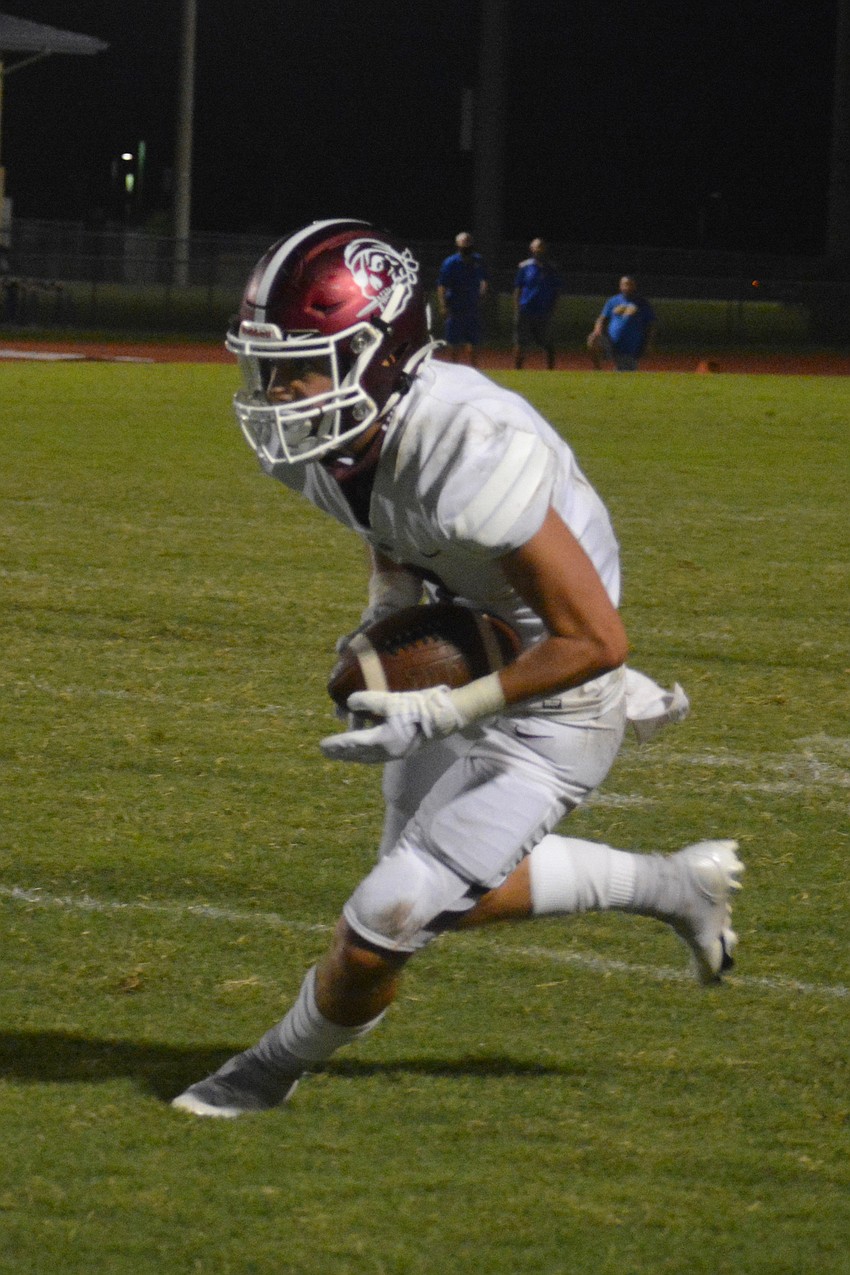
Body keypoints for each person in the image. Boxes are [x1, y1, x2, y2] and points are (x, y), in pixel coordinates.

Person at [172, 219, 743, 1119]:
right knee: (434, 897)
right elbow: (391, 529)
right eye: (267, 365)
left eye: (303, 363)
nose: (277, 390)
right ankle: (673, 885)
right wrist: (389, 615)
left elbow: (596, 638)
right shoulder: (336, 439)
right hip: (477, 640)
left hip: (564, 690)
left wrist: (444, 710)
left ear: (383, 352)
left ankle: (265, 1072)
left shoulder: (470, 441)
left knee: (384, 921)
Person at [436, 231, 488, 366]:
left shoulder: (478, 260)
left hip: (472, 305)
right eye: (464, 244)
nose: (467, 247)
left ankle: (474, 368)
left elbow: (484, 280)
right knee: (453, 341)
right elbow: (442, 285)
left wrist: (482, 293)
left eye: (469, 244)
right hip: (455, 306)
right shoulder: (450, 263)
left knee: (473, 340)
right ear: (458, 246)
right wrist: (443, 305)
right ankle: (454, 367)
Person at [588, 275, 656, 371]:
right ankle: (597, 368)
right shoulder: (612, 301)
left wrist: (648, 344)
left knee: (624, 373)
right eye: (625, 284)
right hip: (611, 343)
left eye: (630, 285)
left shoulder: (642, 303)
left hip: (630, 348)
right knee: (592, 340)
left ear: (634, 286)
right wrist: (597, 331)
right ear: (620, 286)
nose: (627, 287)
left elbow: (650, 325)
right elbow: (601, 319)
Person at [513, 238, 562, 370]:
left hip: (544, 311)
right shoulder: (524, 267)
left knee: (547, 342)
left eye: (541, 247)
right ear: (531, 249)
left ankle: (550, 369)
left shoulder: (551, 268)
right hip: (526, 310)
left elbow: (556, 290)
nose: (538, 250)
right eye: (536, 247)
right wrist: (518, 308)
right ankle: (517, 369)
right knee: (521, 342)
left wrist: (553, 308)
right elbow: (518, 288)